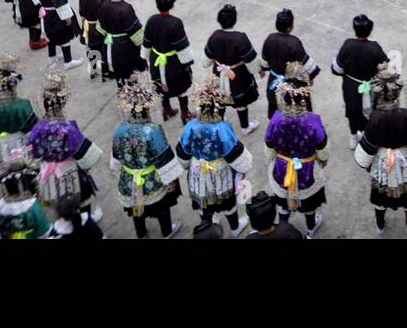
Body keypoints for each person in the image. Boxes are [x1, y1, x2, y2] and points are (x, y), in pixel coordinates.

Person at [354, 64, 407, 235]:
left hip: (382, 161)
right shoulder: (405, 114)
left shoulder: (374, 117)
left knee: (380, 196)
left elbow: (369, 146)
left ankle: (380, 225)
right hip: (403, 160)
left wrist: (367, 164)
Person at [176, 78, 253, 235]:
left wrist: (185, 165)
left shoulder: (190, 126)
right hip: (220, 171)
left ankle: (210, 224)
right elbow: (234, 154)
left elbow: (183, 152)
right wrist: (243, 168)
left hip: (198, 170)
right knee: (227, 201)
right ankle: (234, 227)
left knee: (203, 200)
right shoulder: (222, 128)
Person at [110, 79, 183, 239]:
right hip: (152, 179)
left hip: (129, 179)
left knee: (136, 208)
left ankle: (141, 233)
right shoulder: (152, 130)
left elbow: (115, 160)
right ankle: (166, 231)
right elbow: (164, 159)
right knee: (161, 207)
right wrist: (172, 181)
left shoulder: (120, 129)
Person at [262, 66, 328, 237]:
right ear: (304, 97)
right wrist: (322, 162)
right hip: (306, 168)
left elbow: (269, 145)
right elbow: (322, 148)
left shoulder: (276, 119)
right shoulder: (312, 121)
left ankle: (283, 225)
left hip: (282, 167)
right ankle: (310, 226)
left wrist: (272, 161)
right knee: (309, 203)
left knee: (283, 200)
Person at [29, 66, 102, 213]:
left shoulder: (37, 129)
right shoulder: (68, 128)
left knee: (60, 203)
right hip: (69, 171)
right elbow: (86, 157)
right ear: (62, 103)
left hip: (49, 173)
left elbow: (34, 154)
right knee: (80, 200)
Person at [331, 14, 389, 149]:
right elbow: (386, 69)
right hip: (371, 88)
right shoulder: (374, 48)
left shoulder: (347, 45)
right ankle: (366, 137)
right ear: (370, 31)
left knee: (352, 111)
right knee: (369, 112)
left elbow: (337, 69)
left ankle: (353, 136)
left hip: (350, 88)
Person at [204, 3, 260, 135]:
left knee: (220, 99)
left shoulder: (214, 36)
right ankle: (245, 127)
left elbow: (206, 60)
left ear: (219, 20)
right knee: (241, 102)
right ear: (235, 20)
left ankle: (221, 121)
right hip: (238, 75)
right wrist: (258, 70)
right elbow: (251, 62)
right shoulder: (241, 38)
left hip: (218, 73)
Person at [0, 53, 39, 171]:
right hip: (20, 147)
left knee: (7, 180)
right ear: (14, 86)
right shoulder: (23, 106)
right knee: (28, 174)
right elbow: (32, 133)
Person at [259, 8, 319, 118]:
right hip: (293, 85)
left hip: (274, 82)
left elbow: (264, 63)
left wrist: (263, 70)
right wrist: (309, 78)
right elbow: (307, 67)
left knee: (276, 108)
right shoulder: (294, 43)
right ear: (290, 27)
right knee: (297, 110)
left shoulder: (270, 39)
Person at [36, 0, 84, 70]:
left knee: (50, 34)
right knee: (64, 36)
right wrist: (67, 18)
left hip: (46, 14)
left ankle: (51, 56)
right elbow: (61, 5)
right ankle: (68, 61)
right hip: (56, 15)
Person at [98, 0, 145, 86]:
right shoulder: (126, 8)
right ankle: (132, 97)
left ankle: (122, 96)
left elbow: (100, 29)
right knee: (131, 74)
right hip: (125, 47)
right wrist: (141, 45)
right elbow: (135, 33)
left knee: (118, 73)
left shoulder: (103, 6)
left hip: (109, 45)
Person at [79, 0, 112, 82]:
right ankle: (105, 72)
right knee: (104, 50)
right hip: (100, 27)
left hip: (87, 26)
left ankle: (93, 70)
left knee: (91, 48)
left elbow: (82, 13)